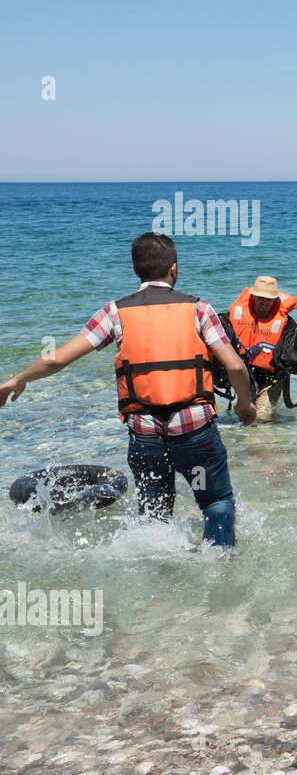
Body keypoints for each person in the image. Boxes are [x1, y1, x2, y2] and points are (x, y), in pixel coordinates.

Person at [0, 232, 255, 546]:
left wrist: (18, 379)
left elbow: (58, 358)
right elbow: (234, 367)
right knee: (216, 502)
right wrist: (245, 403)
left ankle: (158, 584)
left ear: (137, 271)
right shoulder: (199, 309)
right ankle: (221, 567)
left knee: (155, 513)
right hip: (194, 429)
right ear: (173, 268)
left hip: (146, 433)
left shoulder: (115, 313)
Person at [226, 275, 297, 421]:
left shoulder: (286, 323)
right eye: (261, 298)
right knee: (244, 416)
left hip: (273, 378)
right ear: (253, 296)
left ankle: (267, 442)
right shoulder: (236, 315)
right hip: (246, 376)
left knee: (262, 416)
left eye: (268, 298)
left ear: (275, 299)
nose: (264, 302)